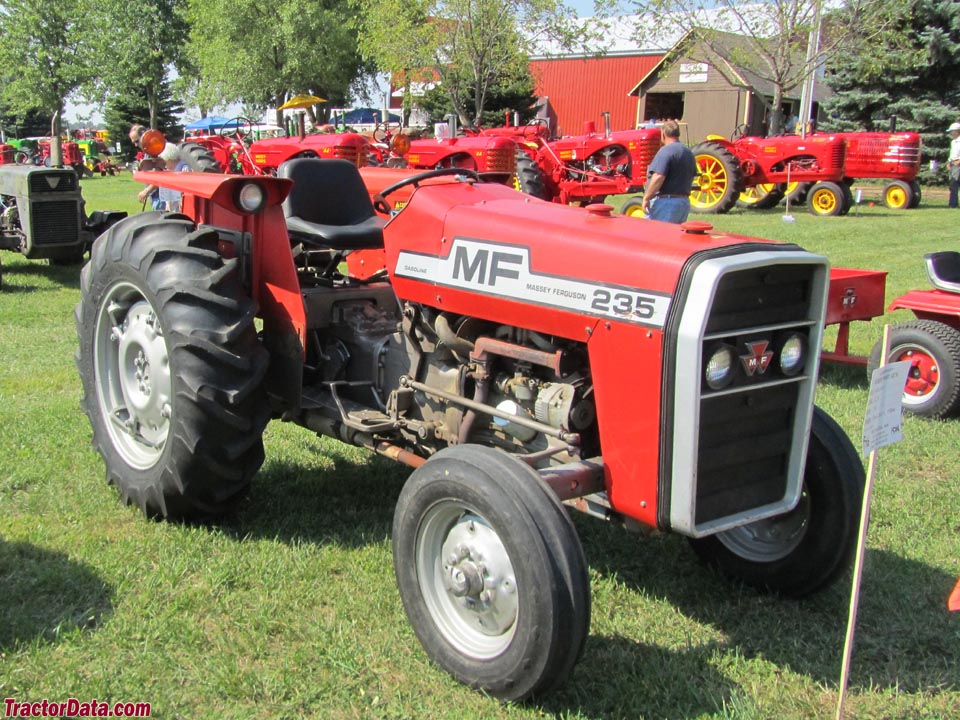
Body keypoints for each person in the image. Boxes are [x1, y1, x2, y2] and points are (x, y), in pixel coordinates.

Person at [642, 120, 697, 223]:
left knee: (656, 236)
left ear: (663, 134)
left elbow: (658, 176)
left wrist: (646, 197)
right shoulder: (688, 152)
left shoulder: (665, 151)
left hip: (666, 203)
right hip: (683, 202)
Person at [128, 124, 180, 210]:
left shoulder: (159, 148)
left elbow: (163, 174)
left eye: (136, 141)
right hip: (157, 195)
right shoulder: (149, 150)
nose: (136, 145)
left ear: (144, 136)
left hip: (163, 196)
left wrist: (147, 191)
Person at [948, 122, 960, 209]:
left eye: (951, 131)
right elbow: (952, 154)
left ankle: (953, 204)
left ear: (956, 131)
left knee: (954, 183)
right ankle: (953, 204)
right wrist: (949, 162)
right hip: (953, 164)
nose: (950, 133)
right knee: (953, 184)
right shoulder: (953, 142)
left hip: (958, 164)